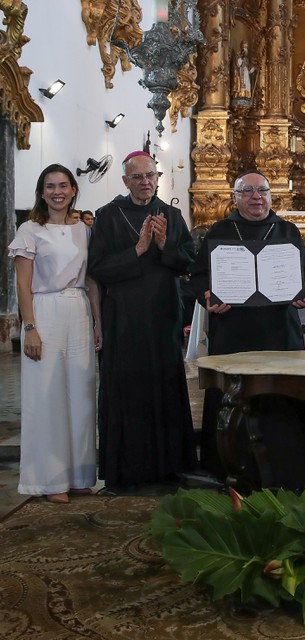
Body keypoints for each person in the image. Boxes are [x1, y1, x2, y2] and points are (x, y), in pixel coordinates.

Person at [190, 170, 305, 489]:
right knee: (233, 398)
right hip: (235, 332)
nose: (255, 197)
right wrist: (206, 295)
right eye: (247, 191)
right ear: (235, 198)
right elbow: (198, 277)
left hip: (279, 333)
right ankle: (230, 468)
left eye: (261, 190)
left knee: (282, 398)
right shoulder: (219, 231)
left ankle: (289, 470)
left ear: (270, 195)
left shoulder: (287, 231)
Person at [88, 151, 196, 492]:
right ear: (125, 181)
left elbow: (189, 264)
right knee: (126, 389)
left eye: (150, 175)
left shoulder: (172, 215)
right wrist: (136, 250)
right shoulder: (107, 216)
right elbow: (98, 269)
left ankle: (169, 467)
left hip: (163, 315)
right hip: (122, 317)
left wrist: (164, 245)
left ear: (157, 177)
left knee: (164, 387)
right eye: (137, 177)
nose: (145, 182)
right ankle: (126, 470)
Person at [8, 164, 102, 503]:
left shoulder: (84, 230)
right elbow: (22, 283)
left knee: (80, 394)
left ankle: (78, 475)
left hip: (78, 310)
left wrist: (98, 323)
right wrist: (29, 327)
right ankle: (49, 481)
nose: (57, 191)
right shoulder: (30, 229)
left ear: (74, 189)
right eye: (50, 186)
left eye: (63, 185)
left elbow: (91, 282)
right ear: (42, 191)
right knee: (47, 396)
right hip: (44, 311)